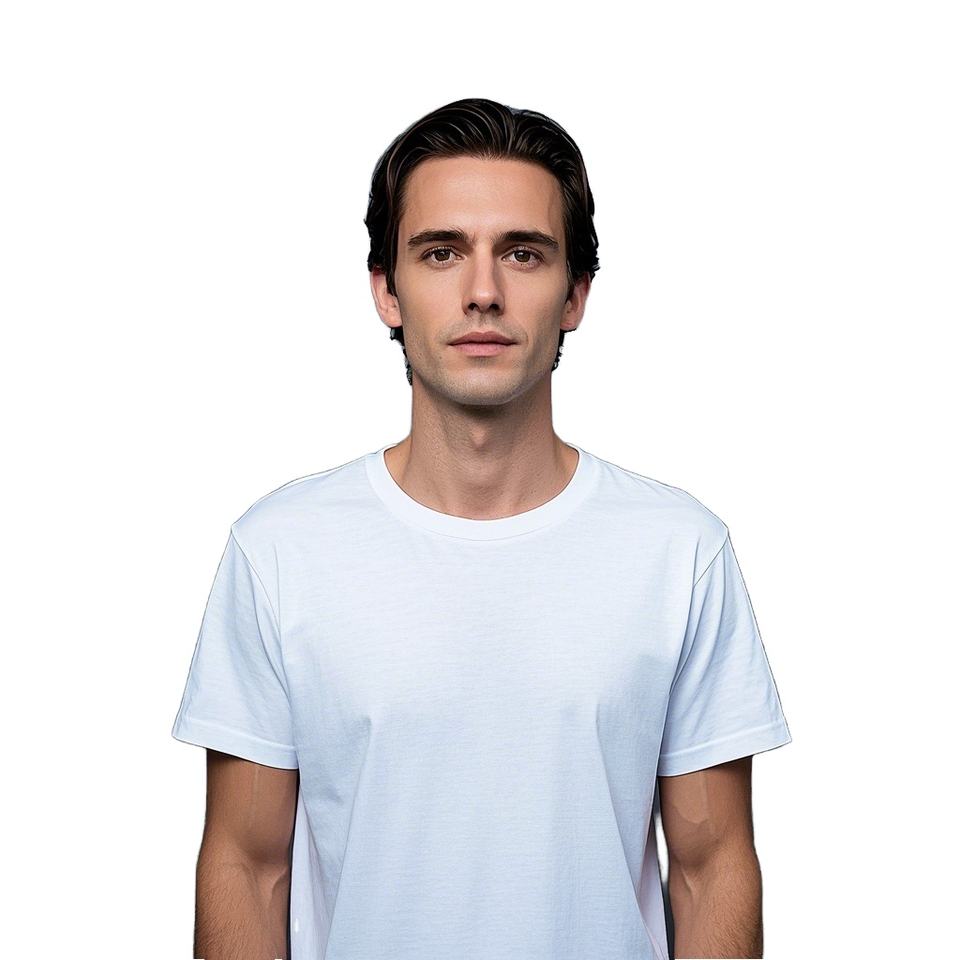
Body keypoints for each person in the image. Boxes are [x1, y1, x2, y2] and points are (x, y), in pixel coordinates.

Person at [171, 97, 792, 960]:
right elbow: (247, 864)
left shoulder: (679, 552)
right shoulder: (280, 552)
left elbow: (712, 865)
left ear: (575, 294)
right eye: (441, 252)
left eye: (523, 253)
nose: (484, 292)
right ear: (386, 290)